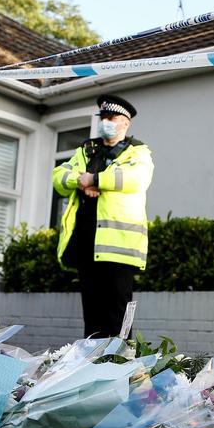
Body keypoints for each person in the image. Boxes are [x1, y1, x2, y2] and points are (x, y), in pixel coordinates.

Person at [51, 94, 154, 339]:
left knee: (117, 315)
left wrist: (96, 179)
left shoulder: (137, 153)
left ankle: (123, 366)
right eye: (103, 117)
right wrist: (80, 180)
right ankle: (93, 367)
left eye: (112, 118)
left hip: (119, 248)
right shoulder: (86, 151)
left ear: (125, 123)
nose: (106, 122)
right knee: (93, 316)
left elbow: (135, 179)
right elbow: (59, 176)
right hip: (87, 244)